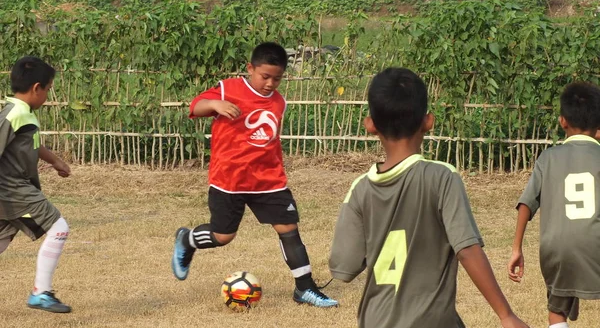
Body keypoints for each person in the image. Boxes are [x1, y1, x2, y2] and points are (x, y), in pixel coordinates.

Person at [329, 67, 528, 327]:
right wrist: (506, 315)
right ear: (428, 121)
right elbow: (467, 249)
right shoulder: (442, 177)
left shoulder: (360, 189)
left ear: (370, 125)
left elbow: (343, 266)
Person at [171, 42, 338, 308]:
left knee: (289, 229)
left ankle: (305, 289)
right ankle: (187, 239)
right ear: (250, 68)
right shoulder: (229, 89)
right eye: (265, 76)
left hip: (269, 180)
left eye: (278, 78)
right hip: (230, 179)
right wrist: (215, 103)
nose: (271, 83)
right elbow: (196, 106)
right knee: (223, 236)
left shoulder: (279, 102)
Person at [508, 82, 600, 328]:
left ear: (562, 121)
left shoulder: (547, 159)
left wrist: (517, 247)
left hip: (556, 249)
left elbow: (526, 204)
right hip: (596, 244)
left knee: (556, 309)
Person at [0, 56, 72, 313]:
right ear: (36, 88)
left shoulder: (23, 113)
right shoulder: (14, 114)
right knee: (59, 226)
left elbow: (32, 144)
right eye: (48, 90)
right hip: (13, 189)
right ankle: (41, 292)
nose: (48, 97)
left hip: (11, 192)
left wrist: (56, 161)